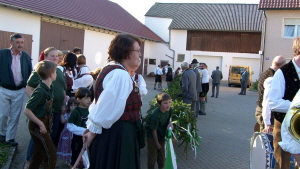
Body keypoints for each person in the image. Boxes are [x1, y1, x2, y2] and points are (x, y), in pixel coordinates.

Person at [83, 33, 143, 169]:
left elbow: (98, 104)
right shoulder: (120, 74)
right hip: (118, 135)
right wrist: (92, 132)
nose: (140, 55)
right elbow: (106, 111)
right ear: (126, 52)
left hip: (115, 133)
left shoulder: (112, 68)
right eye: (137, 51)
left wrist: (91, 127)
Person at [24, 47, 66, 168]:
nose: (56, 58)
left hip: (52, 114)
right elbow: (27, 108)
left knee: (42, 149)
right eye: (52, 56)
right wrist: (38, 104)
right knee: (49, 152)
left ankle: (35, 165)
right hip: (40, 119)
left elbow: (63, 89)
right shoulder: (41, 85)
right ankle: (28, 162)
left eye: (57, 56)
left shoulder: (55, 76)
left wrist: (63, 104)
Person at [268, 36, 300, 169]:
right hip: (284, 126)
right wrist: (296, 107)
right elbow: (273, 103)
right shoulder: (282, 73)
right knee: (283, 165)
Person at [23, 60, 57, 169]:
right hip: (37, 127)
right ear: (51, 75)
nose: (56, 74)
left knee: (38, 155)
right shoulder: (40, 91)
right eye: (55, 72)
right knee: (51, 156)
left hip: (45, 124)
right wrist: (41, 124)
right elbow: (27, 110)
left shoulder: (49, 88)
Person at [0, 34, 33, 146]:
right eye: (17, 42)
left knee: (15, 115)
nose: (20, 45)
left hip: (19, 90)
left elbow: (30, 73)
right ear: (11, 43)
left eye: (22, 42)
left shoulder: (26, 57)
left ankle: (10, 138)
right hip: (4, 89)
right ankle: (2, 133)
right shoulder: (2, 54)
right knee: (3, 114)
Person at [254, 55, 286, 132]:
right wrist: (267, 122)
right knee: (267, 140)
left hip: (263, 111)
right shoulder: (272, 78)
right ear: (282, 66)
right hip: (267, 113)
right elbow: (267, 101)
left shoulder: (266, 72)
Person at [145, 93, 173, 169]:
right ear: (159, 104)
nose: (168, 105)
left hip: (161, 134)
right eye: (165, 103)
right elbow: (154, 131)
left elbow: (168, 119)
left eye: (169, 102)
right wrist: (157, 144)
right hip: (152, 136)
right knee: (152, 156)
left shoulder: (169, 110)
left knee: (161, 156)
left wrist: (170, 123)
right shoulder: (155, 115)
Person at [67, 87, 91, 167]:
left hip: (89, 139)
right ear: (78, 99)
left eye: (90, 97)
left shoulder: (91, 110)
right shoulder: (75, 111)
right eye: (86, 98)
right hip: (78, 139)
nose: (89, 100)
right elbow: (70, 126)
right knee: (75, 158)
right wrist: (85, 131)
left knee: (86, 159)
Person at [57, 97, 78, 166]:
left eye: (75, 105)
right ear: (68, 106)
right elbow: (63, 121)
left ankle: (73, 159)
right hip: (67, 132)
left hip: (74, 132)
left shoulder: (78, 113)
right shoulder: (68, 113)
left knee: (74, 146)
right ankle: (68, 159)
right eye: (71, 105)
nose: (73, 107)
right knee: (67, 145)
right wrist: (62, 114)